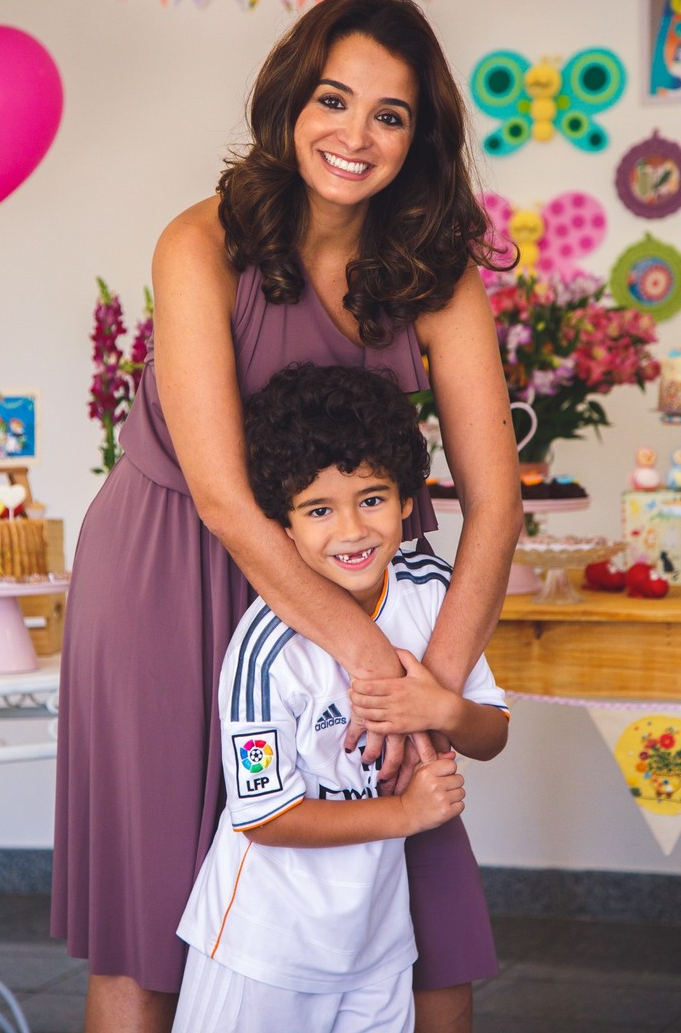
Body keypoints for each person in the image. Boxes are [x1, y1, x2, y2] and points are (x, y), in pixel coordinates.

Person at [50, 0, 523, 1033]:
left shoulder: (435, 277)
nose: (354, 136)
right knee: (160, 909)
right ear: (287, 102)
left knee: (422, 883)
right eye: (332, 99)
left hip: (360, 570)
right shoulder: (200, 244)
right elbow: (222, 496)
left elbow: (495, 505)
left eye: (389, 115)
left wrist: (425, 692)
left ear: (419, 135)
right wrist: (373, 666)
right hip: (176, 570)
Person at [173, 363, 510, 1033]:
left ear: (409, 498)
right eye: (319, 509)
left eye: (372, 498)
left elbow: (491, 730)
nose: (352, 530)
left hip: (378, 945)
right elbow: (264, 816)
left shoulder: (433, 592)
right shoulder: (265, 650)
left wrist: (442, 710)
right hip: (263, 949)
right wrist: (406, 815)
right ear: (282, 525)